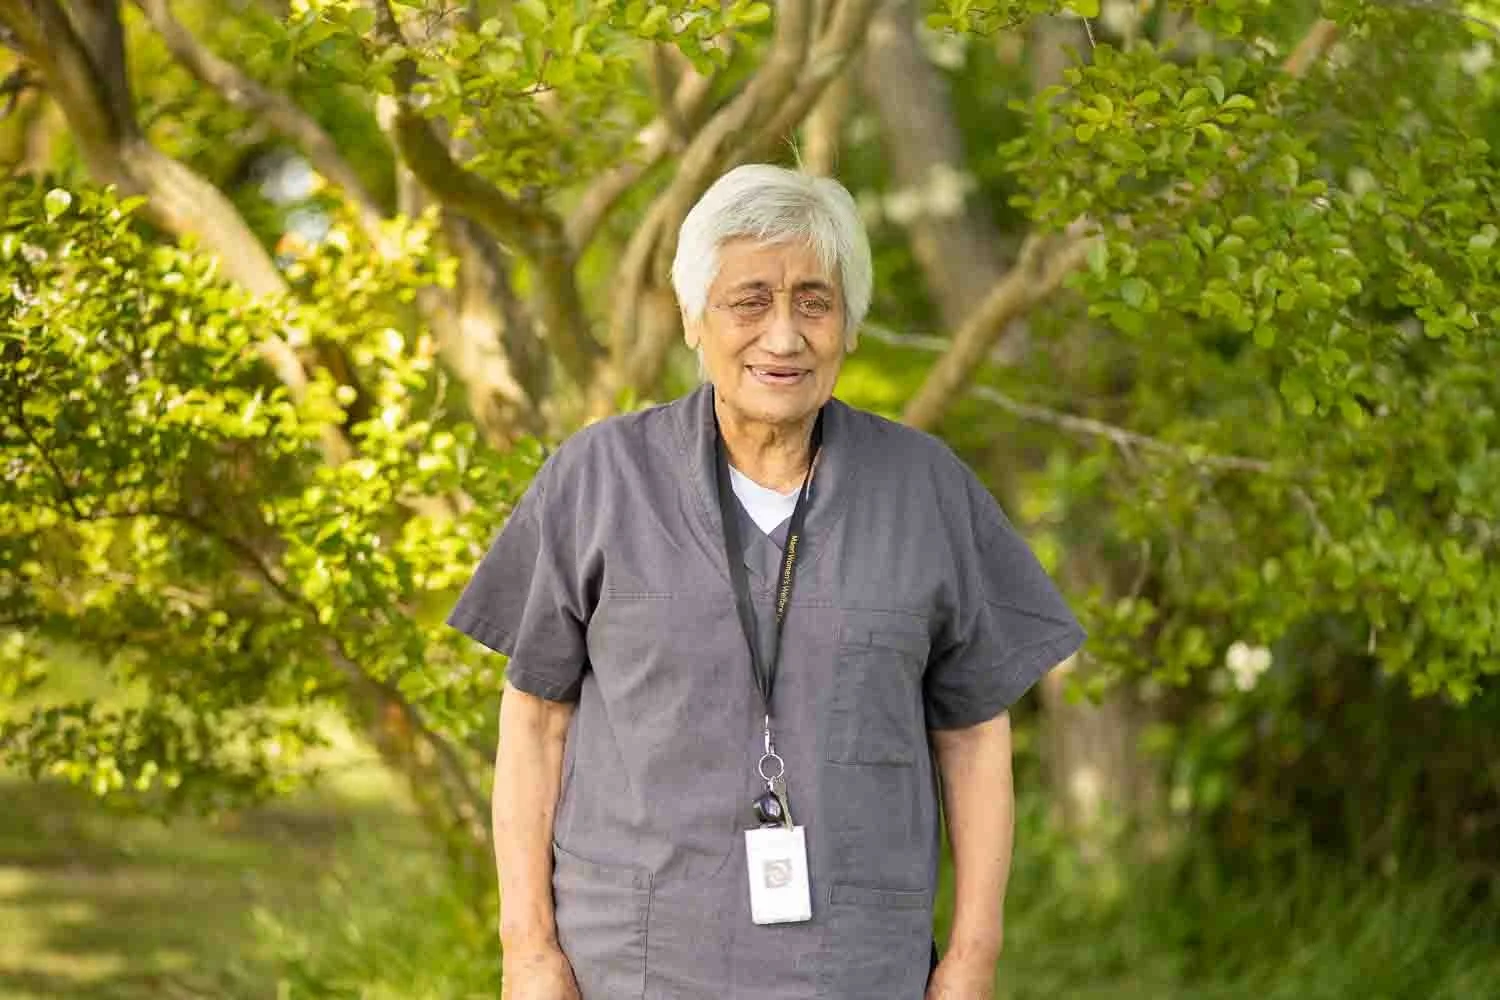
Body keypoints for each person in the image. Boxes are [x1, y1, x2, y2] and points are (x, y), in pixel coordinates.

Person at [446, 164, 1087, 1000]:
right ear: (692, 319)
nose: (783, 337)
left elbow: (972, 735)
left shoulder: (927, 488)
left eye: (813, 302)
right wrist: (527, 950)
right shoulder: (597, 478)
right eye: (749, 301)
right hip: (633, 966)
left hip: (857, 967)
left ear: (848, 325)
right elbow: (535, 723)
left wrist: (972, 960)